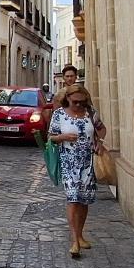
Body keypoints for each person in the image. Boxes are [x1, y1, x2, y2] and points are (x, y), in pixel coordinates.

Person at [49, 85, 98, 258]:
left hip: (88, 163)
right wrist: (62, 137)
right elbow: (51, 137)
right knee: (73, 198)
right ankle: (74, 240)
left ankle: (80, 235)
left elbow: (100, 129)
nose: (78, 104)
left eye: (81, 101)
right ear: (67, 98)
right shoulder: (59, 114)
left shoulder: (90, 113)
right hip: (68, 162)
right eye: (75, 101)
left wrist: (99, 142)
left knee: (84, 201)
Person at [57, 64, 106, 147]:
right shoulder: (59, 95)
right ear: (64, 77)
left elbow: (90, 108)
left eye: (72, 76)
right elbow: (56, 116)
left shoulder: (83, 91)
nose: (69, 78)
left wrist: (99, 140)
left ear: (76, 77)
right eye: (67, 76)